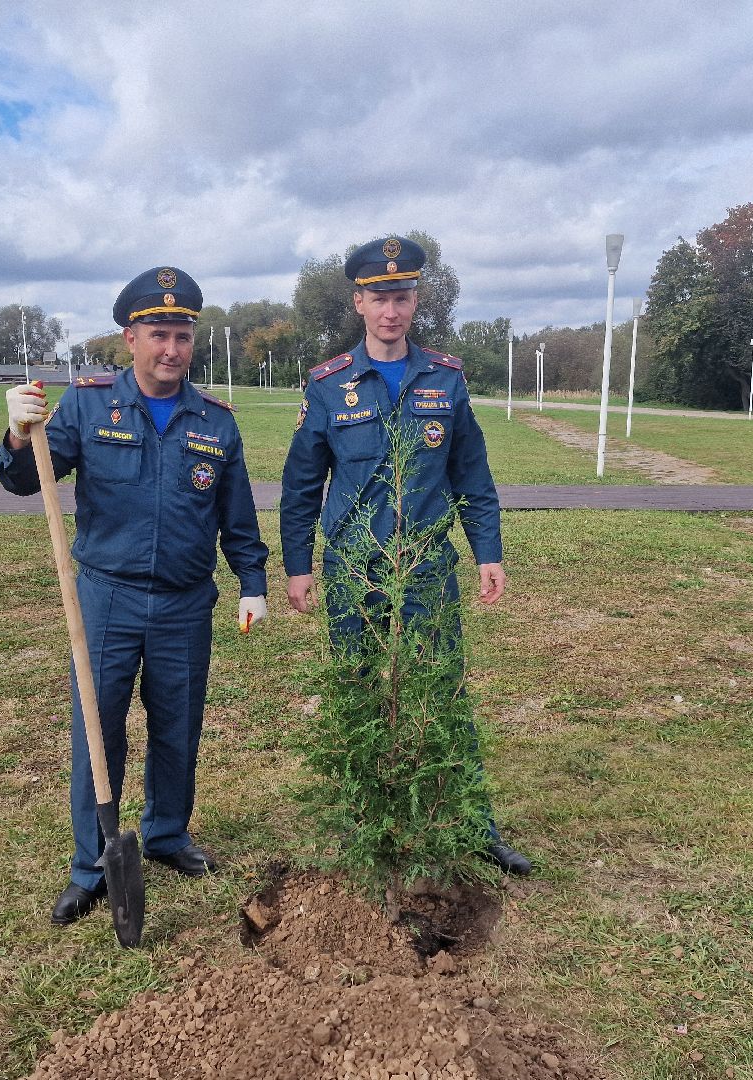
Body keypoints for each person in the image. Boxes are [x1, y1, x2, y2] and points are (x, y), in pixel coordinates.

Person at [0, 266, 270, 925]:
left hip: (184, 604)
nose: (170, 349)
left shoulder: (216, 422)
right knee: (98, 731)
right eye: (157, 335)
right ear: (130, 339)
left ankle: (167, 834)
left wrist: (252, 582)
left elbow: (236, 517)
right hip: (106, 600)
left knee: (178, 726)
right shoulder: (88, 406)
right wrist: (18, 434)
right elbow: (25, 480)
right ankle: (92, 865)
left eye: (182, 336)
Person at [279, 236, 531, 876]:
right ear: (358, 304)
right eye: (379, 298)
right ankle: (365, 826)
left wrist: (488, 551)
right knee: (358, 691)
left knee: (442, 688)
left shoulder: (444, 378)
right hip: (353, 568)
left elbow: (472, 474)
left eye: (402, 297)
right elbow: (302, 484)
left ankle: (471, 824)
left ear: (416, 301)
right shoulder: (329, 384)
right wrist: (299, 565)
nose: (391, 311)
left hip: (424, 565)